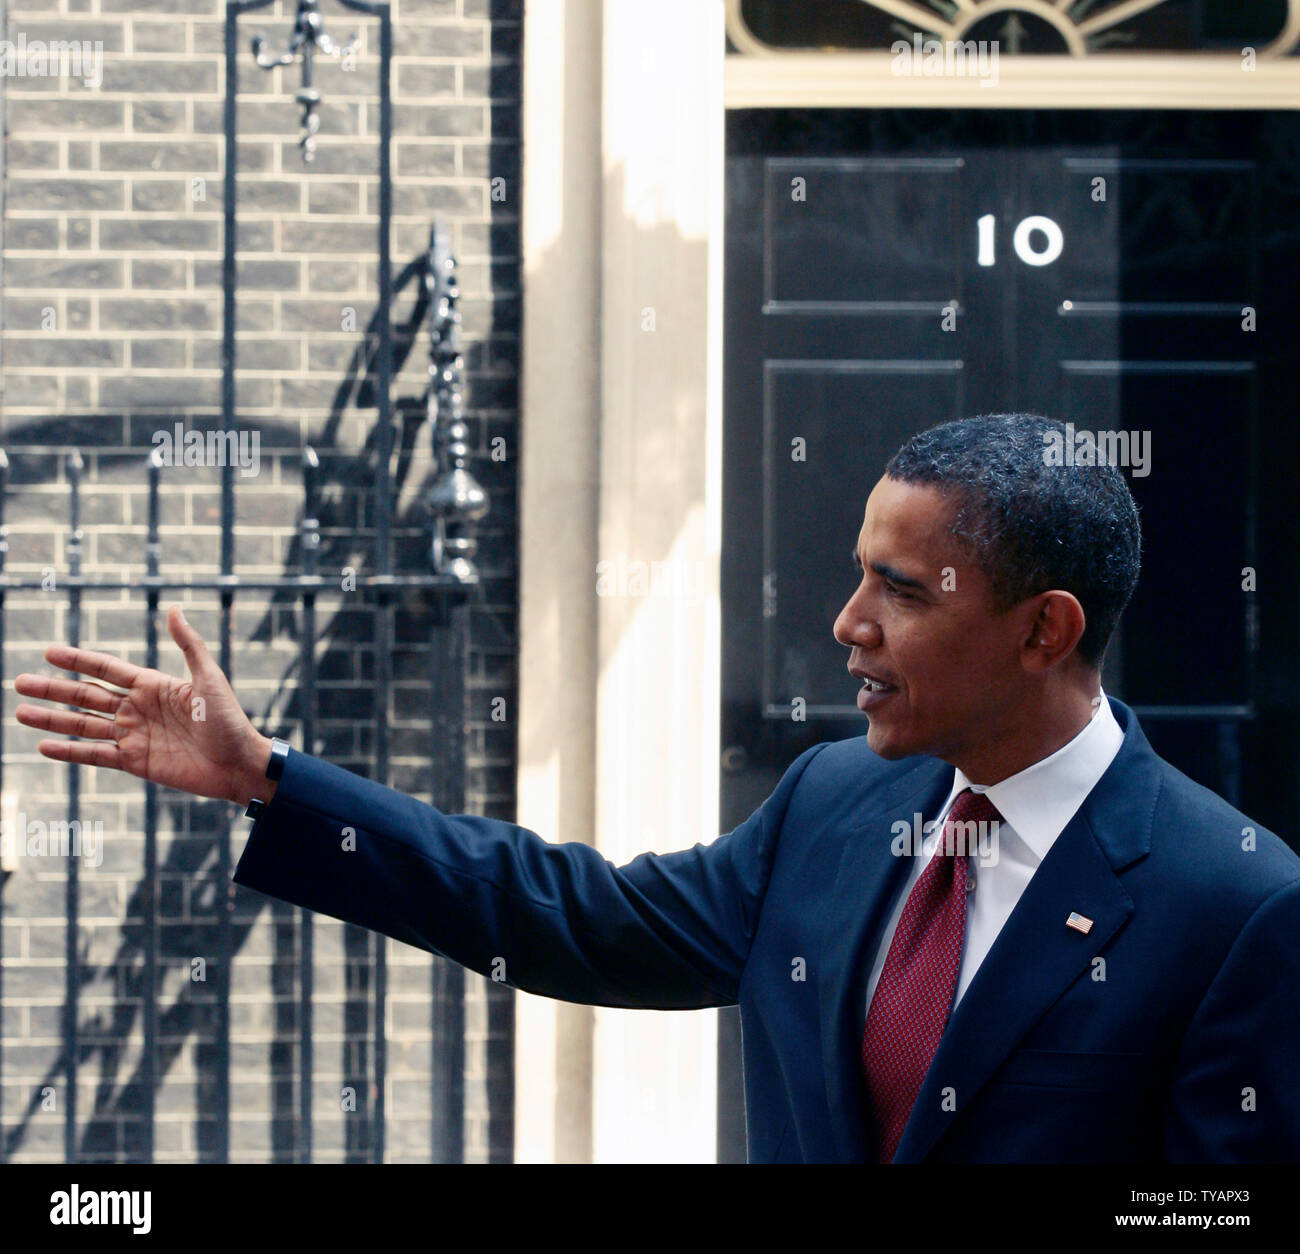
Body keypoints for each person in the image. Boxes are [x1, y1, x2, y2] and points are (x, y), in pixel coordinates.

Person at [14, 414, 1300, 1163]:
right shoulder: (833, 804)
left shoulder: (1230, 900)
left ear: (1043, 631)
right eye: (859, 575)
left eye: (900, 593)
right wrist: (271, 783)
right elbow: (567, 914)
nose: (846, 623)